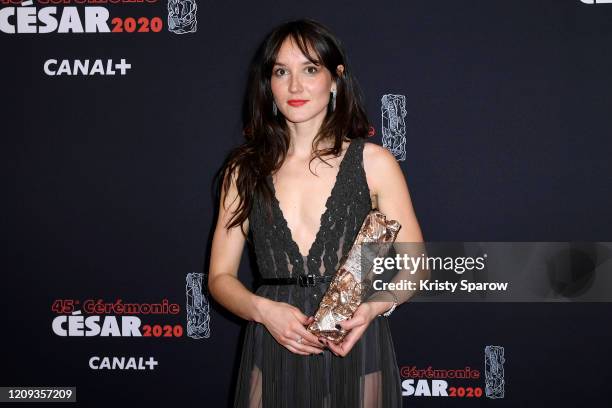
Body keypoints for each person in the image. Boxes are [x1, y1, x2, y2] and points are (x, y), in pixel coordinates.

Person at [208, 18, 423, 408]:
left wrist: (374, 307)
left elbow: (416, 265)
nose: (295, 86)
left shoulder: (374, 163)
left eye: (310, 69)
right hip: (274, 338)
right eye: (281, 72)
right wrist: (262, 310)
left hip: (354, 338)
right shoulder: (243, 170)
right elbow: (220, 277)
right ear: (267, 84)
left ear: (335, 78)